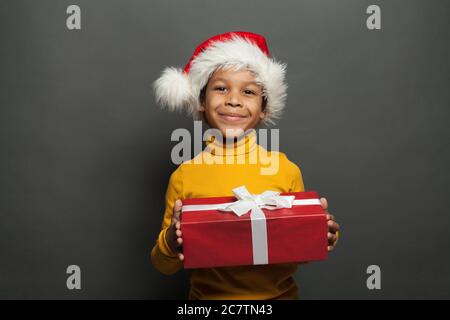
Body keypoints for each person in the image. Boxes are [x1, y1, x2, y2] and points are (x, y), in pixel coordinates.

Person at [151, 31, 340, 299]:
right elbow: (163, 264)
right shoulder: (185, 176)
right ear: (202, 102)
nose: (234, 100)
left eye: (248, 91)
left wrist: (321, 234)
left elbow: (297, 254)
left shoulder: (284, 169)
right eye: (221, 88)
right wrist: (171, 240)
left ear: (264, 108)